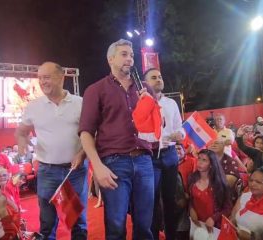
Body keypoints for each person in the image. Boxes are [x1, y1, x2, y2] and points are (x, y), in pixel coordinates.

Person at [79, 39, 155, 240]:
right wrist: (97, 167)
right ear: (110, 58)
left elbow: (158, 126)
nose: (129, 59)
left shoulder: (145, 88)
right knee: (116, 226)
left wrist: (150, 104)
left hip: (145, 161)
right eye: (123, 54)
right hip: (114, 163)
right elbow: (86, 132)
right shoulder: (95, 90)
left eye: (131, 54)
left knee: (145, 225)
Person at [15, 61, 88, 240]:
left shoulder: (81, 103)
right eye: (39, 78)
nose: (42, 82)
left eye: (46, 77)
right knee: (47, 223)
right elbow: (21, 131)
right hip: (47, 171)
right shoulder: (33, 106)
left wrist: (82, 153)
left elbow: (93, 134)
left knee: (78, 221)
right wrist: (21, 140)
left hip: (75, 170)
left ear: (61, 77)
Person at [144, 68, 184, 240]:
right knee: (151, 202)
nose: (158, 79)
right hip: (149, 155)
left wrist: (180, 134)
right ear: (145, 83)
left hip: (170, 155)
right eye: (153, 77)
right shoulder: (140, 103)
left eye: (160, 76)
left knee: (170, 200)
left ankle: (171, 236)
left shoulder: (171, 103)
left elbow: (179, 127)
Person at [188, 149, 232, 235]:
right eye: (199, 158)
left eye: (204, 160)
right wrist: (191, 209)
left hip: (214, 227)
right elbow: (191, 199)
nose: (199, 162)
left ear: (211, 164)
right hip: (196, 225)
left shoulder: (219, 183)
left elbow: (228, 208)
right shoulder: (192, 178)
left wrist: (213, 218)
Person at [231, 168, 263, 240]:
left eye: (258, 182)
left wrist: (251, 238)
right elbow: (232, 219)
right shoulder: (245, 196)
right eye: (251, 180)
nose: (253, 184)